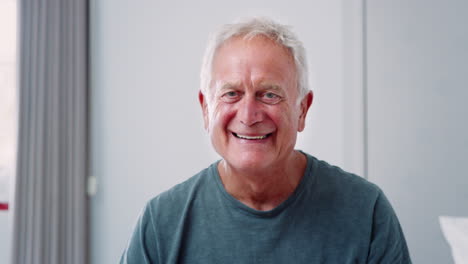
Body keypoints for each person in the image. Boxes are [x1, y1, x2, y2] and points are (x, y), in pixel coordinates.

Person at [120, 17, 412, 264]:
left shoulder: (366, 212)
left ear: (302, 109)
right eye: (231, 93)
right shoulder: (162, 223)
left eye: (269, 94)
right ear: (206, 109)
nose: (248, 115)